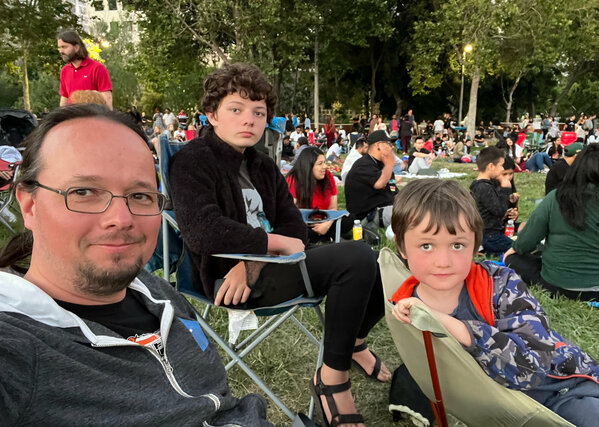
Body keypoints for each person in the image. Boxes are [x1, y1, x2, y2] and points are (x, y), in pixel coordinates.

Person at [0, 104, 271, 425]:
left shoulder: (159, 295)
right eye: (84, 191)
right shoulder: (16, 346)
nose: (121, 219)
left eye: (140, 195)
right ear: (30, 206)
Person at [168, 63, 390, 426]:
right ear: (211, 115)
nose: (250, 120)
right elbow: (203, 232)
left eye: (258, 112)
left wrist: (253, 261)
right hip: (227, 281)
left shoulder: (262, 166)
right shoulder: (192, 161)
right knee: (355, 256)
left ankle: (353, 343)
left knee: (378, 265)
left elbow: (293, 226)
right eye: (236, 110)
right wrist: (270, 246)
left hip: (256, 269)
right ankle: (331, 381)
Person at [389, 179, 599, 427]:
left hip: (566, 377)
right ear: (402, 246)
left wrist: (458, 329)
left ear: (476, 244)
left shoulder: (500, 283)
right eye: (426, 245)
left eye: (457, 245)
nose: (443, 261)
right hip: (541, 407)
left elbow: (533, 368)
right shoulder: (403, 305)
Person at [505, 143, 599, 300]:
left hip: (558, 286)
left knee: (515, 259)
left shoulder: (555, 198)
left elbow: (527, 240)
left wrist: (512, 252)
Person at [286, 147, 353, 242]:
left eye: (324, 162)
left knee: (349, 219)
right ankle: (324, 236)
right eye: (320, 164)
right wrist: (310, 224)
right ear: (308, 166)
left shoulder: (328, 176)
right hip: (303, 222)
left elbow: (333, 209)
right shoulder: (293, 180)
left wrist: (326, 224)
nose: (325, 166)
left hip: (325, 219)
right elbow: (291, 213)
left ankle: (324, 235)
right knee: (301, 232)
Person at [469, 147, 518, 255]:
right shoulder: (484, 187)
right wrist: (505, 190)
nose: (502, 169)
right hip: (489, 236)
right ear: (491, 166)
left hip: (485, 234)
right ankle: (483, 249)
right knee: (518, 248)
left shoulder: (479, 185)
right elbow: (499, 211)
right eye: (500, 165)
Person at [344, 130, 398, 228]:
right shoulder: (363, 165)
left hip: (386, 209)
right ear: (378, 145)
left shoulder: (383, 166)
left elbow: (394, 191)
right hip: (366, 218)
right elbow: (379, 183)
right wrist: (390, 164)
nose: (392, 147)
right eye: (389, 144)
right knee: (407, 214)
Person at [57, 30, 112, 109]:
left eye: (64, 47)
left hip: (93, 117)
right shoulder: (65, 71)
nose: (61, 51)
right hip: (73, 118)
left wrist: (107, 119)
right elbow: (64, 99)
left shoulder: (97, 68)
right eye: (59, 48)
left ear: (76, 47)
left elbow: (107, 99)